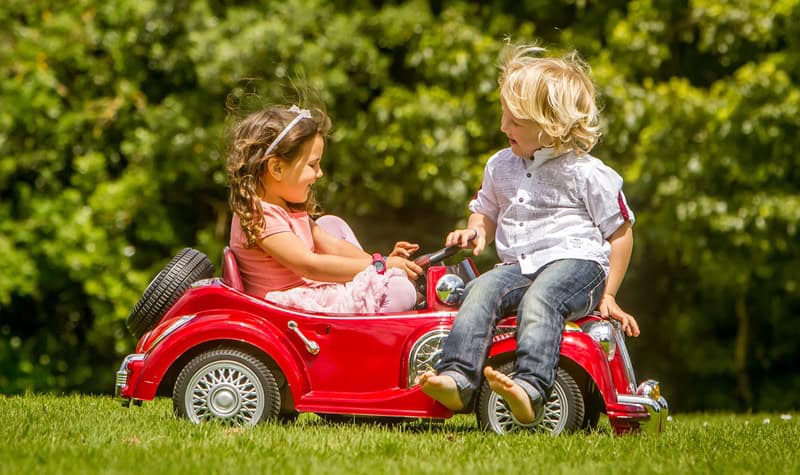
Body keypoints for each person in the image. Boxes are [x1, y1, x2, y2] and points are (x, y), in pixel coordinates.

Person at [420, 44, 640, 424]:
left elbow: (620, 233)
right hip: (520, 265)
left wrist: (610, 295)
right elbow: (485, 213)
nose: (503, 127)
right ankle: (457, 378)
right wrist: (474, 233)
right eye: (504, 117)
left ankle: (531, 387)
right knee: (480, 290)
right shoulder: (500, 165)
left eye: (514, 121)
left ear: (550, 124)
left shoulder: (586, 172)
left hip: (577, 265)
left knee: (542, 299)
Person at [226, 104, 422, 313]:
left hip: (311, 294)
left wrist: (380, 262)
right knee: (401, 292)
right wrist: (381, 269)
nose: (319, 174)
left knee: (331, 225)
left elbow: (333, 246)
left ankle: (376, 285)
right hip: (291, 310)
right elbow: (309, 266)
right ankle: (365, 330)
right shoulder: (261, 215)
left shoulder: (284, 207)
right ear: (277, 168)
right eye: (312, 165)